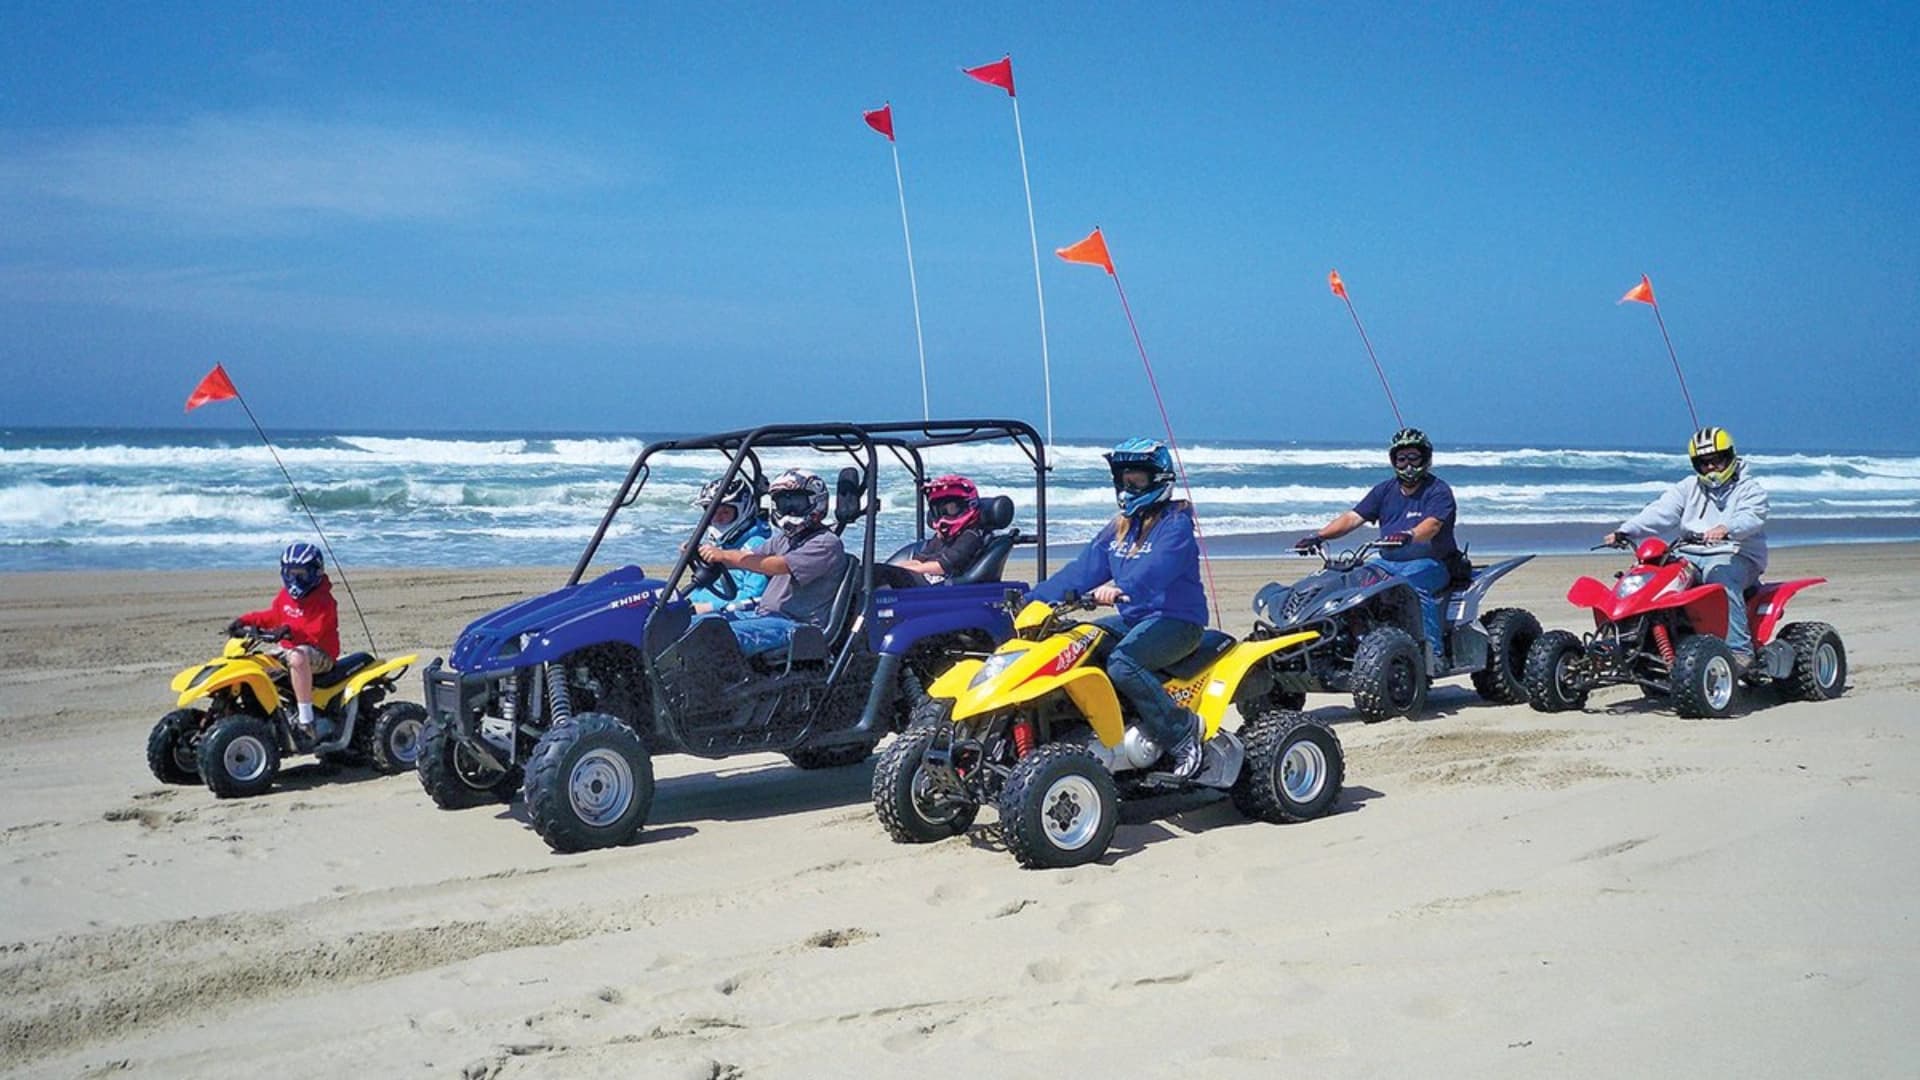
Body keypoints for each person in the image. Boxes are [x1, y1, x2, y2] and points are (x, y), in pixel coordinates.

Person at [1028, 438, 1210, 778]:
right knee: (1075, 641)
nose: (1128, 488)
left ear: (1157, 479)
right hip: (1136, 621)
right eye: (1124, 480)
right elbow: (1081, 572)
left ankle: (1182, 732)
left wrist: (1121, 587)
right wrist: (1033, 600)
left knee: (1123, 663)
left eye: (1136, 481)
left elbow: (1158, 568)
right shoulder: (1120, 528)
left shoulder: (1176, 524)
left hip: (1178, 622)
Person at [1604, 426, 1770, 668]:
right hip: (1690, 553)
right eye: (1704, 463)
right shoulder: (1689, 487)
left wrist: (1727, 529)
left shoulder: (1749, 489)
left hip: (1735, 553)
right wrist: (1626, 530)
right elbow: (1660, 512)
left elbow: (1751, 517)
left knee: (1720, 578)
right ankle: (1631, 640)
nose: (1711, 467)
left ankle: (1740, 650)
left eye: (1717, 460)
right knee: (1650, 574)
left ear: (1730, 457)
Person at [1296, 428, 1459, 672]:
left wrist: (1409, 535)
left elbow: (1432, 525)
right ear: (1394, 460)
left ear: (1425, 458)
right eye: (1402, 458)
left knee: (1413, 585)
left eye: (1413, 457)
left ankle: (1433, 654)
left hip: (1432, 563)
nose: (1408, 465)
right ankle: (1358, 645)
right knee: (1350, 585)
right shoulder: (1384, 490)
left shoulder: (1438, 490)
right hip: (1386, 563)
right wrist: (1319, 536)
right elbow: (1353, 518)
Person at [699, 468, 848, 657]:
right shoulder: (785, 539)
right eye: (783, 503)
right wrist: (701, 554)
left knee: (714, 638)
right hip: (764, 616)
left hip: (796, 625)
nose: (789, 509)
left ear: (815, 502)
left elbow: (777, 565)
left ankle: (710, 685)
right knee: (694, 625)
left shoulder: (825, 543)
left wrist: (725, 556)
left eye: (795, 502)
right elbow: (747, 556)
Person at [230, 542, 341, 739]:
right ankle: (258, 714)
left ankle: (306, 719)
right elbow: (272, 616)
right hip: (289, 650)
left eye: (302, 574)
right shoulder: (286, 596)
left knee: (297, 658)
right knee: (253, 666)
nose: (295, 579)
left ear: (315, 572)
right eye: (291, 574)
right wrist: (244, 621)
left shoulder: (325, 601)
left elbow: (315, 630)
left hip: (319, 653)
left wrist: (287, 630)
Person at [687, 475, 770, 613]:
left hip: (727, 619)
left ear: (743, 510)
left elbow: (755, 596)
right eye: (712, 512)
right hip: (697, 604)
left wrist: (708, 608)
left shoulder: (757, 545)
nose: (717, 519)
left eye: (725, 512)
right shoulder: (726, 542)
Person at [888, 474, 989, 585]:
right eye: (939, 511)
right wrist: (893, 569)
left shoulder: (971, 536)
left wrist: (904, 572)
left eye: (951, 509)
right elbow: (920, 559)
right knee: (877, 573)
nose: (944, 517)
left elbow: (943, 566)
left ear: (968, 506)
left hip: (941, 586)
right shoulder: (944, 536)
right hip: (928, 580)